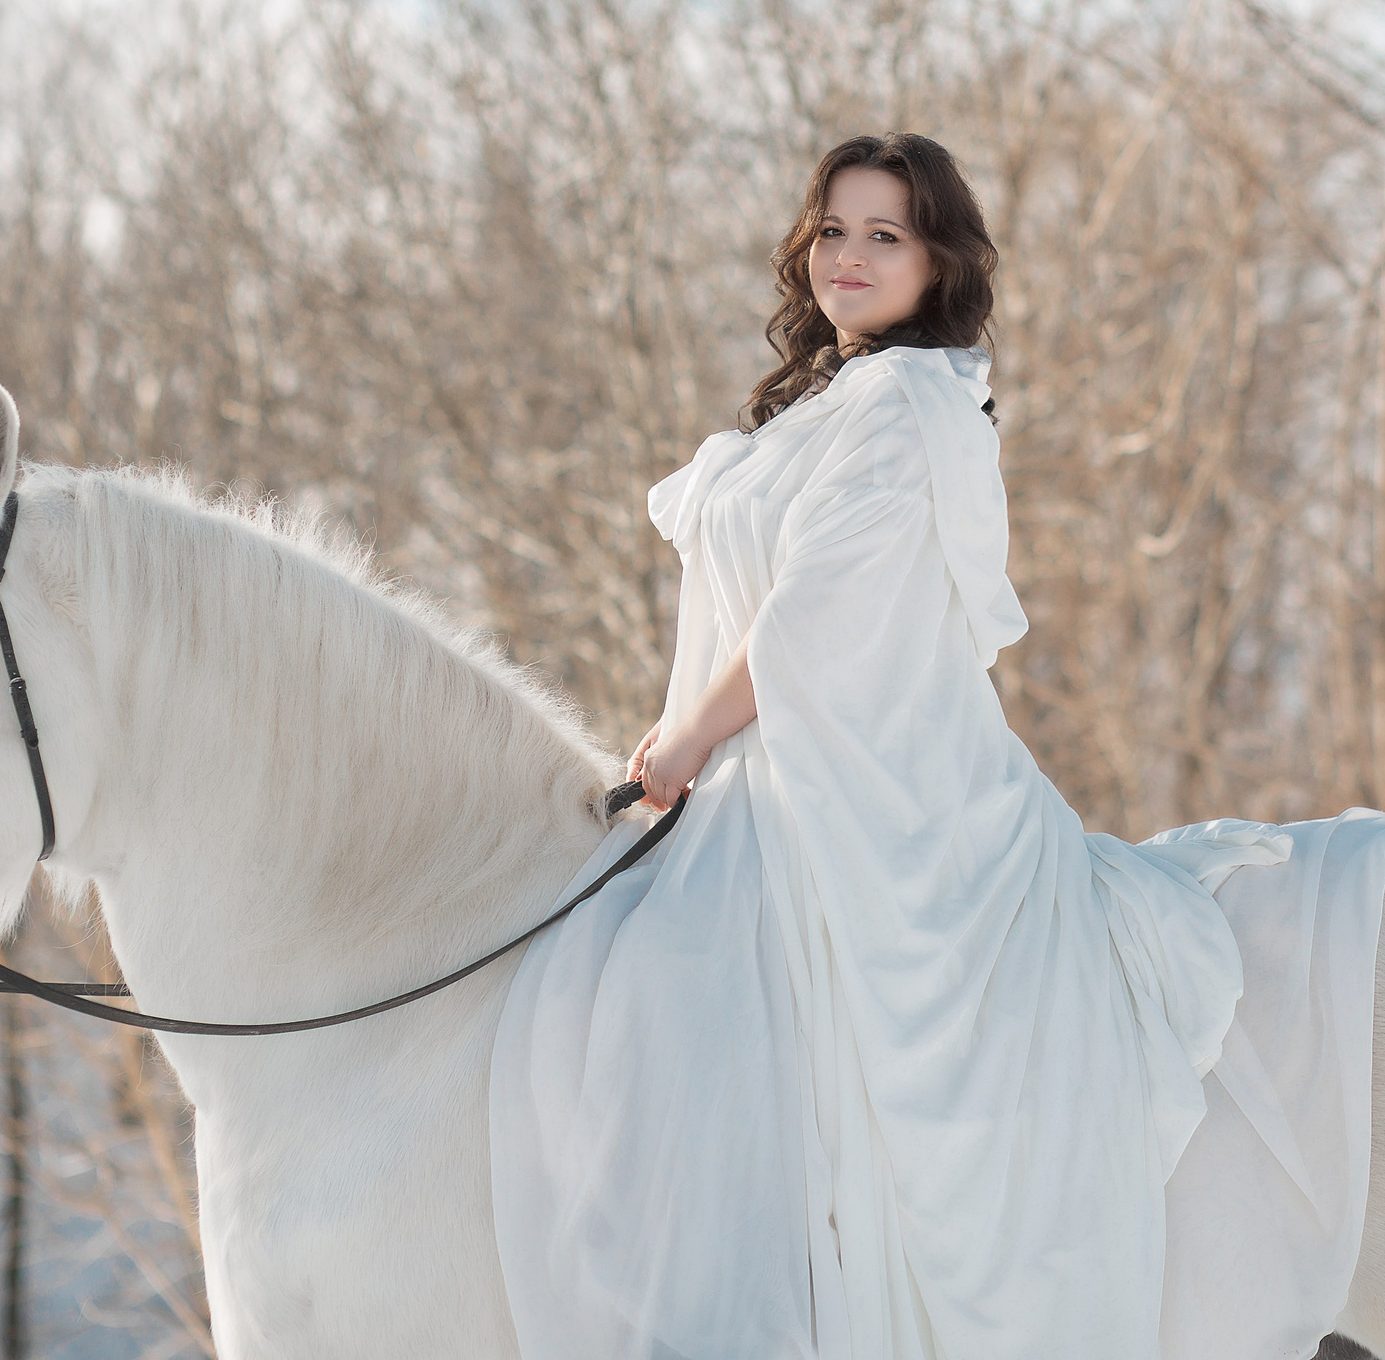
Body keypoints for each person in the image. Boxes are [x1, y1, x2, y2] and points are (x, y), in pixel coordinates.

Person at [490, 133, 1272, 1360]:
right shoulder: (835, 397)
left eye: (885, 236)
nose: (847, 257)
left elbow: (815, 615)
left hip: (860, 791)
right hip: (765, 774)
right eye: (833, 230)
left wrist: (689, 733)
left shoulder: (911, 406)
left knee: (666, 1013)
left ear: (937, 262)